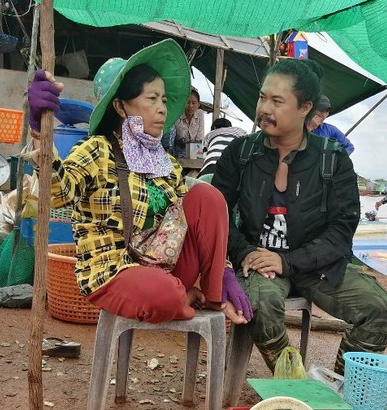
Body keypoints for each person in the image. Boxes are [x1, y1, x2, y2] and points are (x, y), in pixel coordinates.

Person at [25, 39, 252, 326]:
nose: (162, 109)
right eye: (151, 98)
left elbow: (199, 221)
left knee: (207, 196)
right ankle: (182, 297)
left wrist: (224, 270)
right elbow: (56, 193)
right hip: (115, 272)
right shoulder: (97, 149)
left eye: (165, 100)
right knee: (163, 294)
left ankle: (211, 293)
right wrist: (38, 130)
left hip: (166, 265)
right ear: (120, 106)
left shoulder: (165, 161)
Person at [212, 58, 387, 374]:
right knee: (261, 303)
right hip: (259, 265)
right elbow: (217, 216)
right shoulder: (241, 153)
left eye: (277, 101)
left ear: (305, 108)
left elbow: (342, 230)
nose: (264, 108)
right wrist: (244, 251)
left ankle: (340, 388)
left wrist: (289, 261)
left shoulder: (333, 159)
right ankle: (295, 386)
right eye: (262, 97)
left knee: (380, 308)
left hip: (317, 266)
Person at [174, 87, 205, 158]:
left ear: (198, 104)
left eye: (194, 103)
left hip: (194, 148)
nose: (190, 106)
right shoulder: (177, 114)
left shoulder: (200, 114)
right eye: (188, 102)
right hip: (178, 148)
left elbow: (200, 137)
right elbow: (178, 136)